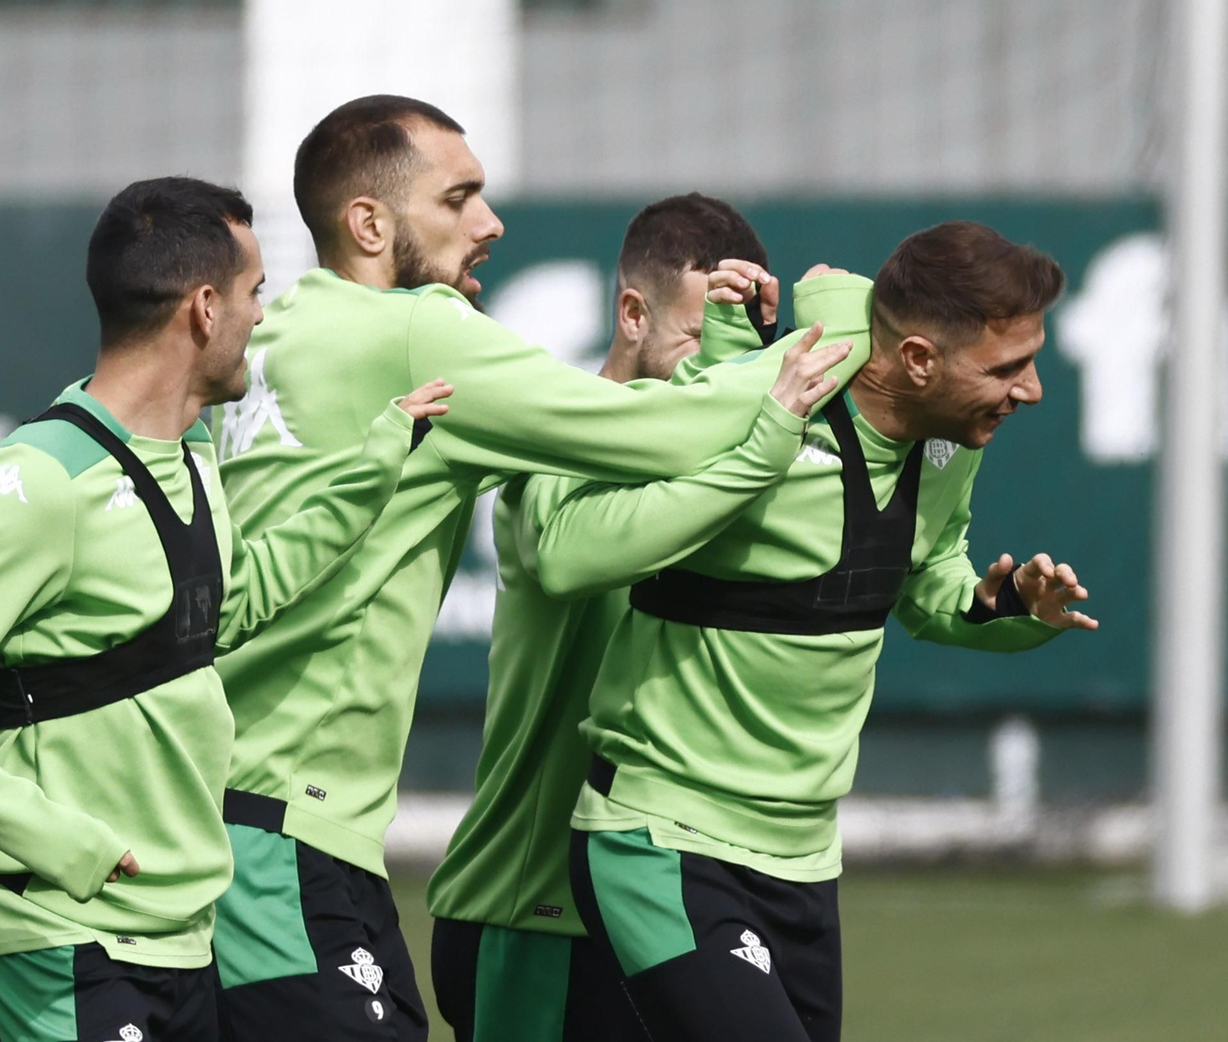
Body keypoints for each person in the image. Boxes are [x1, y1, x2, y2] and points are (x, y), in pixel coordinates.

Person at [207, 95, 854, 1041]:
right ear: (371, 223)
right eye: (459, 198)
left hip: (253, 814)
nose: (489, 222)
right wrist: (835, 335)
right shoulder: (415, 333)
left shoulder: (280, 335)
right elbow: (651, 436)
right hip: (307, 833)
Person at [0, 176, 451, 1042]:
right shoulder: (39, 483)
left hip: (178, 937)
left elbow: (229, 610)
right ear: (205, 310)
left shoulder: (191, 455)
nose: (262, 320)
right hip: (57, 933)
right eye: (255, 296)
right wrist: (64, 844)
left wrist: (374, 468)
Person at [537, 221, 1098, 1042]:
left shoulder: (950, 441)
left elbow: (924, 579)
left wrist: (1003, 608)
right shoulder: (757, 397)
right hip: (662, 837)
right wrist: (760, 445)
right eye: (1007, 368)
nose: (1032, 389)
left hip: (803, 860)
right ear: (917, 360)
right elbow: (567, 554)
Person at [425, 193, 798, 1042]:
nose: (717, 371)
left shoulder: (732, 448)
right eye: (702, 338)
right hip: (532, 904)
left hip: (667, 897)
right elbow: (564, 556)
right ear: (632, 314)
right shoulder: (553, 450)